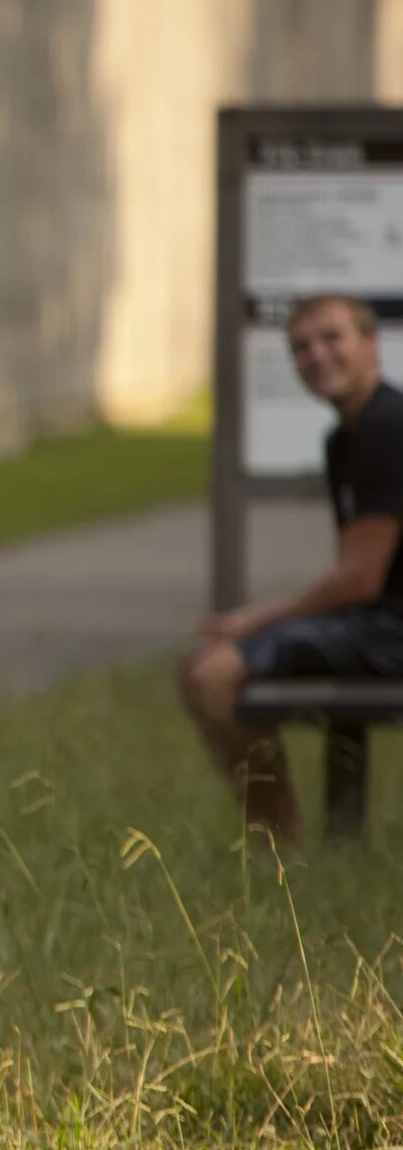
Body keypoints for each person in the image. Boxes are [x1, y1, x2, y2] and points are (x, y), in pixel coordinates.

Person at [178, 293, 403, 842]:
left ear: (369, 343)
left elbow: (360, 579)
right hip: (376, 622)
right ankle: (286, 844)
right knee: (205, 667)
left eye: (332, 339)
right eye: (301, 347)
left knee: (210, 673)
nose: (317, 356)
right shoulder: (344, 439)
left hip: (392, 630)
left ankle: (279, 850)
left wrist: (257, 619)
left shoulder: (388, 429)